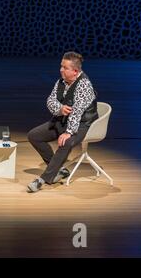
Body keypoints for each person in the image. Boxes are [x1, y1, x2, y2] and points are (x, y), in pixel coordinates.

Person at [27, 52, 98, 193]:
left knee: (65, 142)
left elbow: (77, 112)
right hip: (63, 119)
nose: (61, 70)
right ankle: (59, 170)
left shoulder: (84, 85)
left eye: (65, 68)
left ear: (75, 71)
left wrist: (68, 132)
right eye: (61, 66)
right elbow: (50, 101)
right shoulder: (61, 82)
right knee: (34, 135)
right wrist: (60, 109)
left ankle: (43, 179)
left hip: (82, 124)